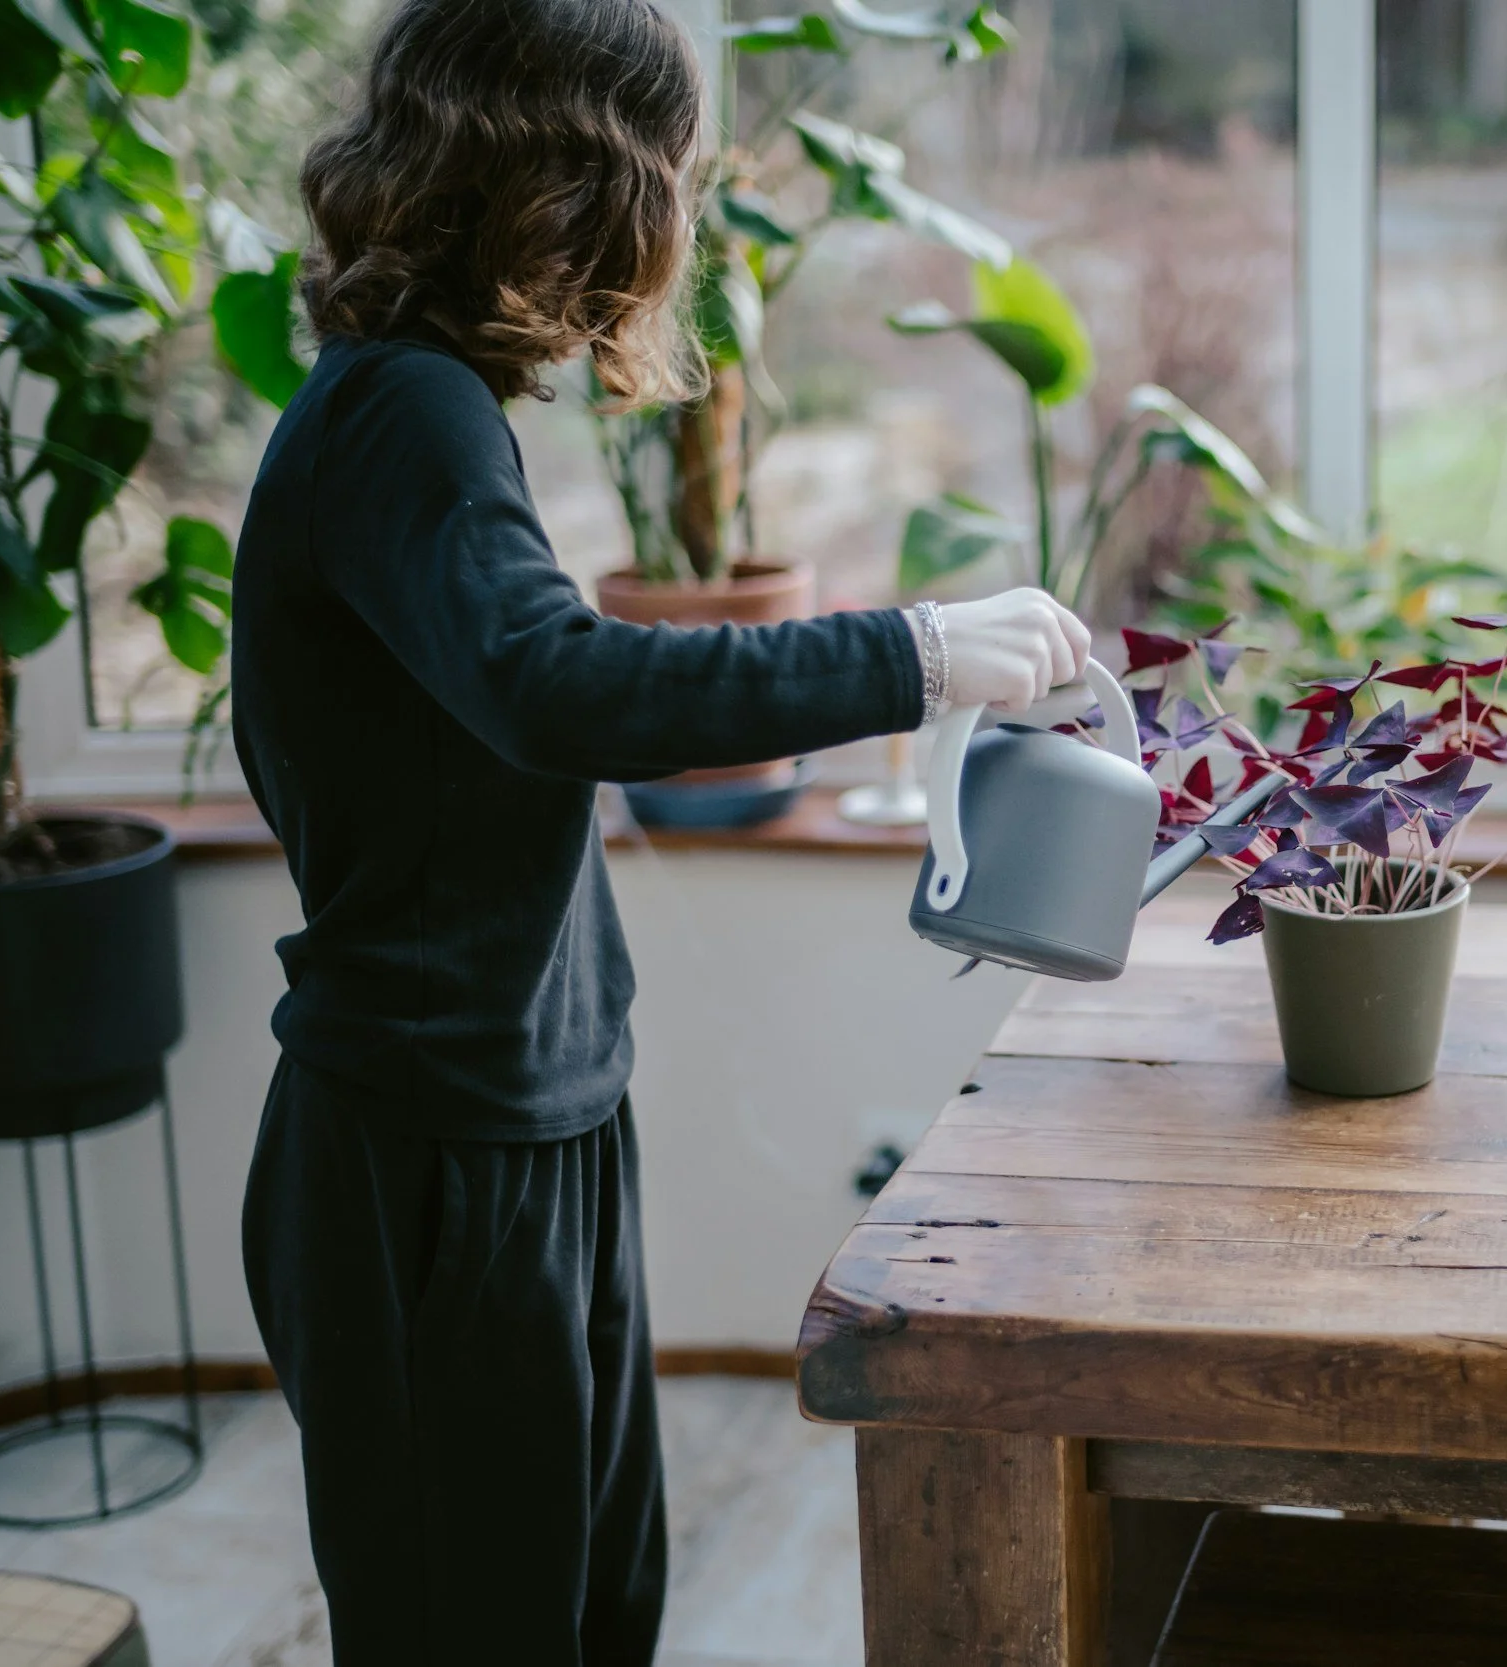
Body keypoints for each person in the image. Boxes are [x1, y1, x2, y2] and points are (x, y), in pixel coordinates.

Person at [227, 3, 1087, 1661]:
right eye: (667, 179)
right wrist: (909, 652)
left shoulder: (431, 407)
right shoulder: (398, 415)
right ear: (573, 179)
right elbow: (560, 688)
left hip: (528, 1124)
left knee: (592, 1611)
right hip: (427, 1160)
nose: (670, 228)